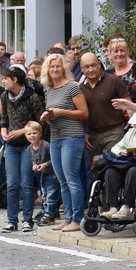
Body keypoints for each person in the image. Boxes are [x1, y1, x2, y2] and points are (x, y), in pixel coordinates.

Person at [40, 53, 89, 230]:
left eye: (58, 66)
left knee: (72, 179)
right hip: (55, 137)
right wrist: (48, 117)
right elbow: (54, 114)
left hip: (72, 137)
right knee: (62, 180)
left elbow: (84, 113)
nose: (55, 69)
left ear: (64, 68)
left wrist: (61, 112)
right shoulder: (50, 91)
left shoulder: (72, 87)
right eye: (51, 66)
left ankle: (77, 219)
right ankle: (67, 217)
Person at [0, 65, 45, 231]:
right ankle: (11, 220)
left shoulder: (31, 97)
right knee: (11, 183)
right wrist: (4, 131)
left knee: (26, 183)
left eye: (6, 78)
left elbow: (41, 120)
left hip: (27, 145)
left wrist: (22, 131)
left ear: (15, 80)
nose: (3, 81)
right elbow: (4, 118)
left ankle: (27, 219)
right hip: (10, 144)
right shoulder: (4, 96)